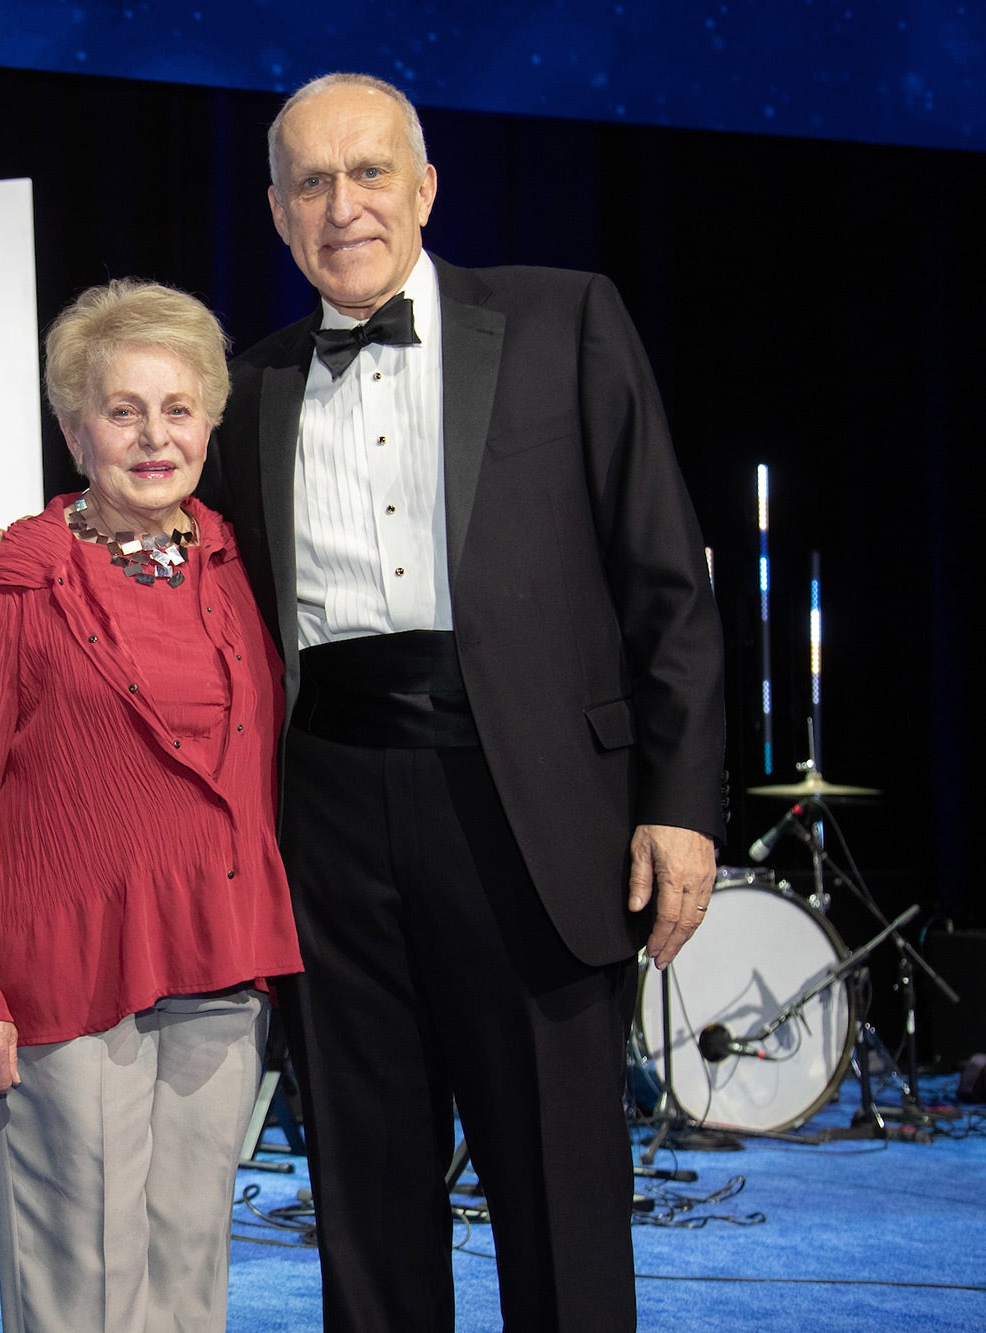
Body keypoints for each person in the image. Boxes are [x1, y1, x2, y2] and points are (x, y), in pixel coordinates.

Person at [214, 74, 727, 1330]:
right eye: (310, 183)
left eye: (369, 172)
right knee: (364, 1193)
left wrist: (678, 803)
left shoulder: (562, 319)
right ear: (276, 214)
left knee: (557, 1190)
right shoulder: (245, 386)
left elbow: (664, 578)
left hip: (529, 804)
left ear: (426, 187)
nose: (342, 206)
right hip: (326, 815)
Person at [0, 279, 303, 1333]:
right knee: (81, 1275)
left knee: (190, 1261)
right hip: (65, 970)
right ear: (77, 430)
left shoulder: (237, 560)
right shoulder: (25, 577)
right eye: (123, 411)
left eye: (177, 409)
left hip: (221, 959)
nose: (153, 436)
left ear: (210, 423)